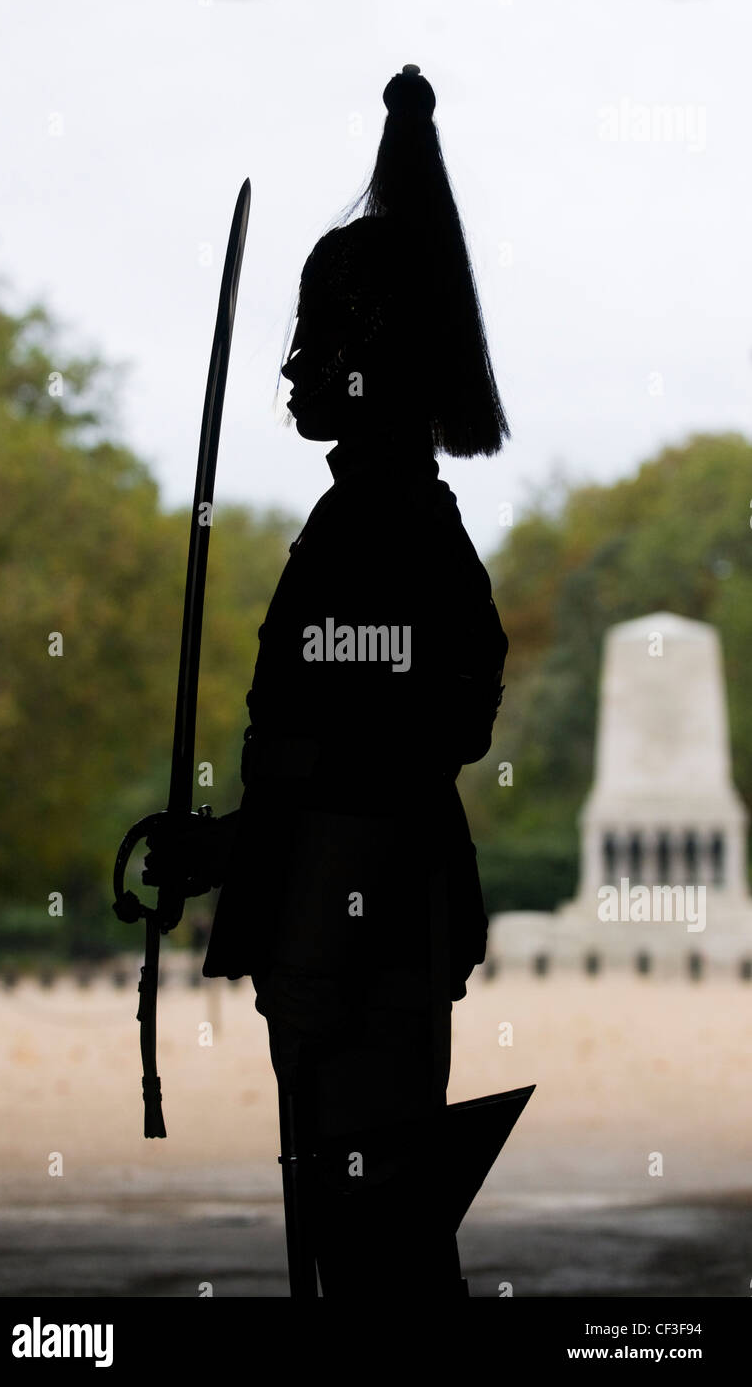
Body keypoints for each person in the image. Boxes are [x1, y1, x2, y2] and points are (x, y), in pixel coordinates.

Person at [149, 65, 510, 1298]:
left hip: (355, 926)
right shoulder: (360, 517)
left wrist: (270, 851)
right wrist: (234, 847)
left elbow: (423, 726)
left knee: (376, 1266)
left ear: (379, 354)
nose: (299, 365)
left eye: (324, 338)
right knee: (359, 1254)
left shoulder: (387, 525)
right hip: (339, 916)